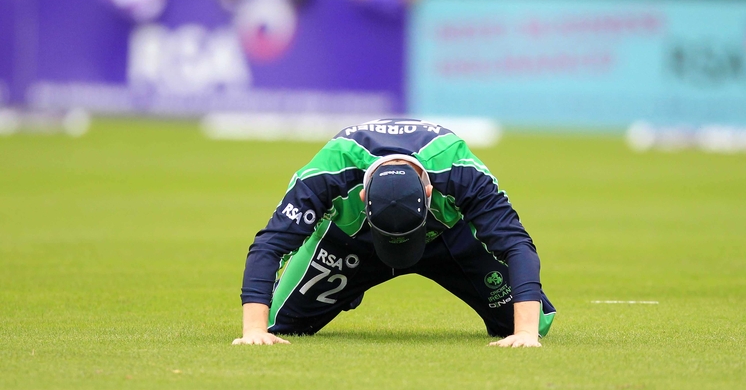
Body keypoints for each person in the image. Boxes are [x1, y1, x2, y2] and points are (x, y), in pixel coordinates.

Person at [233, 118, 556, 348]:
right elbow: (270, 245)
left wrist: (526, 335)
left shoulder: (460, 169)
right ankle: (351, 285)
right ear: (363, 197)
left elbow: (515, 244)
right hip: (352, 245)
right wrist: (253, 331)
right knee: (280, 324)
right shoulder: (328, 171)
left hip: (449, 239)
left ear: (429, 191)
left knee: (529, 322)